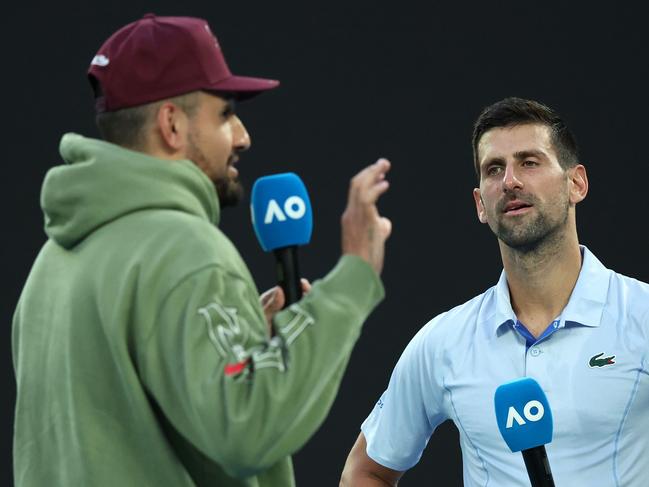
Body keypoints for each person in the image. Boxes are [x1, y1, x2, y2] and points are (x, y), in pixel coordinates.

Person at [12, 14, 392, 487]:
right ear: (171, 124)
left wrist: (242, 336)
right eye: (226, 114)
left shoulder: (49, 266)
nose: (242, 136)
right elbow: (246, 430)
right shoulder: (183, 250)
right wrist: (353, 275)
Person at [340, 97, 649, 486]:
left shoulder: (643, 316)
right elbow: (365, 471)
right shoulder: (444, 341)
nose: (510, 181)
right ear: (480, 204)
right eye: (494, 169)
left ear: (576, 183)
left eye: (529, 162)